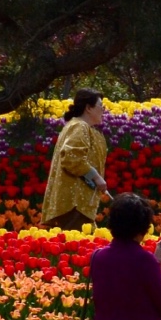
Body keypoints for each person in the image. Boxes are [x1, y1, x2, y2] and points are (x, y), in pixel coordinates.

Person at [38, 89, 110, 229]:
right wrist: (96, 177)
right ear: (88, 108)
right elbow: (72, 158)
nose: (103, 110)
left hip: (76, 203)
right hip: (74, 203)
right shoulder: (79, 126)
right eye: (101, 106)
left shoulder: (77, 126)